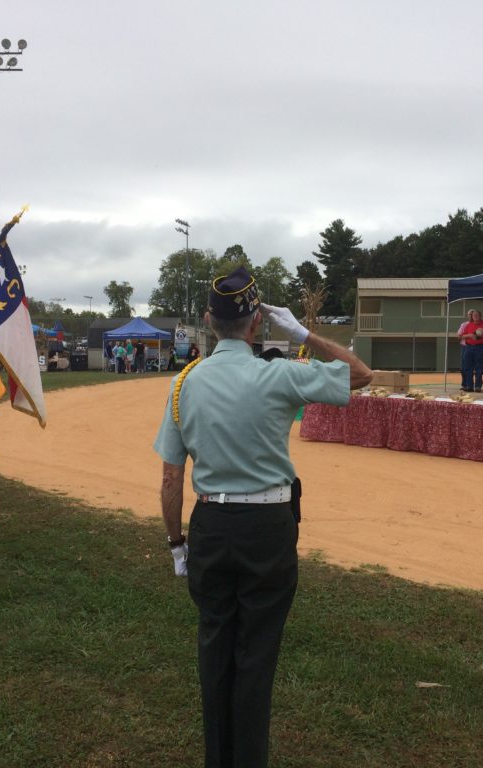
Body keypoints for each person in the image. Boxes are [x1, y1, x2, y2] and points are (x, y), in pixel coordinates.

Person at [154, 267, 371, 768]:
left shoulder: (184, 384)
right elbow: (360, 374)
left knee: (214, 647)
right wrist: (302, 333)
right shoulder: (279, 373)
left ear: (210, 321)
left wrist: (175, 545)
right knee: (257, 653)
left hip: (210, 525)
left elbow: (170, 479)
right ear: (257, 323)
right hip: (268, 527)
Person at [457, 310, 483, 391]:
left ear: (480, 316)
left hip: (480, 347)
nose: (475, 316)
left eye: (477, 315)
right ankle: (469, 386)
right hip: (468, 347)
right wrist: (470, 335)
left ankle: (478, 386)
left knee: (479, 368)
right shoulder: (469, 325)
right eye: (473, 315)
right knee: (468, 367)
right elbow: (461, 336)